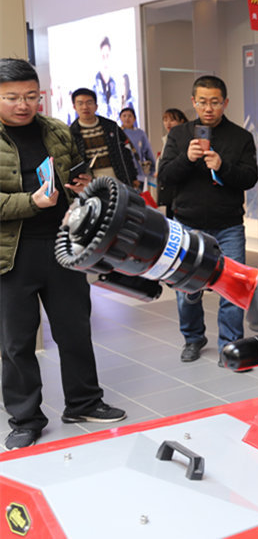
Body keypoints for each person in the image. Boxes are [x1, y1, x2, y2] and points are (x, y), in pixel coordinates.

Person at [0, 58, 126, 451]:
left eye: (31, 96)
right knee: (16, 342)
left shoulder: (56, 130)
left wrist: (81, 186)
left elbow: (74, 180)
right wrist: (31, 202)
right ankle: (25, 417)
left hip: (62, 246)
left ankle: (84, 401)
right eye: (12, 98)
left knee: (74, 329)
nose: (23, 105)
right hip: (11, 256)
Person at [158, 76, 258, 364]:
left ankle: (230, 344)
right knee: (186, 287)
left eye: (215, 102)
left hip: (228, 225)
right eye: (202, 102)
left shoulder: (240, 137)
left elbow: (250, 178)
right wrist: (186, 159)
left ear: (225, 103)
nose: (209, 108)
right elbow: (165, 177)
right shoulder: (178, 136)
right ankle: (193, 338)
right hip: (187, 223)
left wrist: (223, 166)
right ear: (193, 102)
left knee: (233, 286)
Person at [69, 88, 139, 189]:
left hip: (118, 179)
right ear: (74, 107)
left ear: (96, 106)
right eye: (80, 103)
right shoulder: (72, 133)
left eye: (89, 103)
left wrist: (133, 176)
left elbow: (126, 152)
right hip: (91, 184)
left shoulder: (111, 127)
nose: (85, 107)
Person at [156, 108, 188, 217]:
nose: (168, 123)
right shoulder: (166, 139)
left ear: (182, 121)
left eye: (172, 120)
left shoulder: (184, 139)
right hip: (166, 188)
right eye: (165, 120)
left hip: (177, 191)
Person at [119, 107, 155, 190]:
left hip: (138, 173)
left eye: (129, 116)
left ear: (134, 119)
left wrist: (153, 169)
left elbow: (148, 151)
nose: (127, 118)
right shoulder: (117, 132)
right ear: (120, 118)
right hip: (123, 172)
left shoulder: (140, 133)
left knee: (137, 198)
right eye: (124, 116)